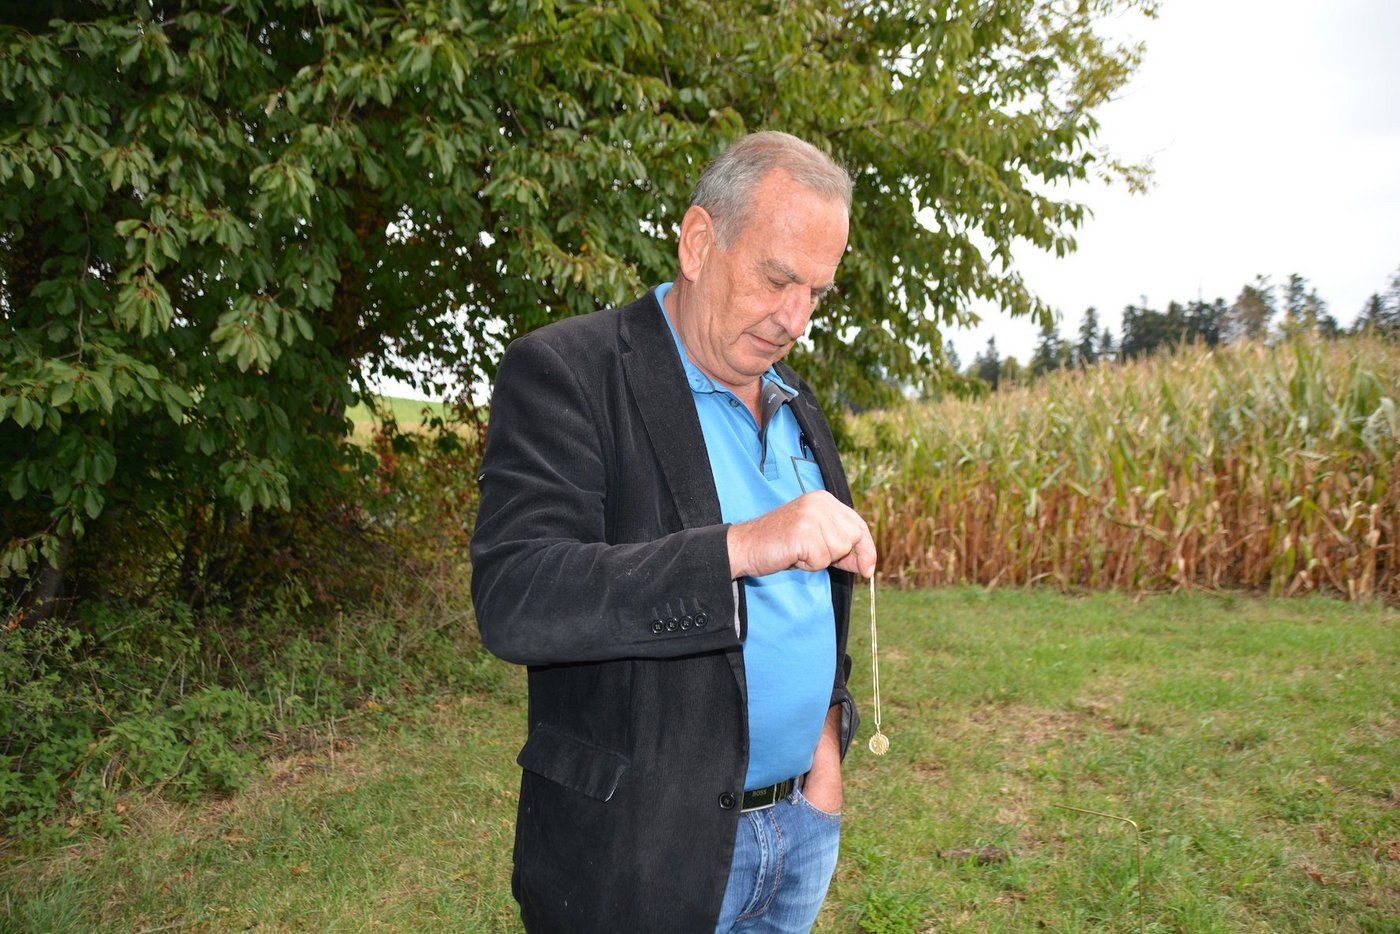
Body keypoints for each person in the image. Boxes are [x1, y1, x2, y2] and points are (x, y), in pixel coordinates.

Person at [470, 130, 878, 934]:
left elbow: (819, 610)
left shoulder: (798, 403)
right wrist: (741, 545)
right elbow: (518, 596)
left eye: (817, 293)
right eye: (777, 278)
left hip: (797, 832)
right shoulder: (570, 374)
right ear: (698, 242)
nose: (795, 318)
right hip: (640, 856)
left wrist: (824, 759)